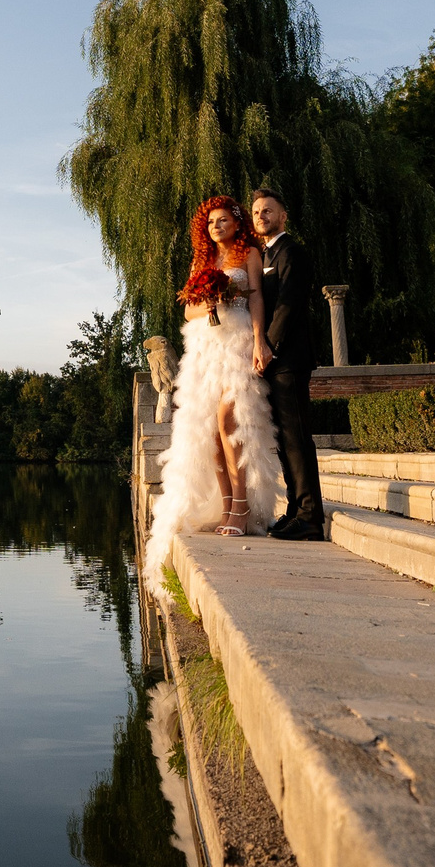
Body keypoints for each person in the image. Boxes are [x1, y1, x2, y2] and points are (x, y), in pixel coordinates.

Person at [141, 195, 283, 598]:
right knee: (208, 429)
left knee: (229, 419)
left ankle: (242, 505)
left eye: (223, 220)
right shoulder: (200, 263)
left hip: (237, 342)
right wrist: (208, 301)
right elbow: (186, 311)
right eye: (211, 222)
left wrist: (260, 340)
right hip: (205, 347)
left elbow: (257, 298)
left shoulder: (250, 254)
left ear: (237, 224)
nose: (216, 226)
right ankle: (226, 504)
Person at [251, 188, 326, 540]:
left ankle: (311, 517)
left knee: (297, 438)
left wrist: (268, 347)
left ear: (283, 216)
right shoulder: (263, 254)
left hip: (288, 358)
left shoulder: (292, 252)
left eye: (268, 210)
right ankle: (295, 509)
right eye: (256, 212)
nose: (261, 216)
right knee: (282, 438)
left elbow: (288, 304)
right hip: (270, 359)